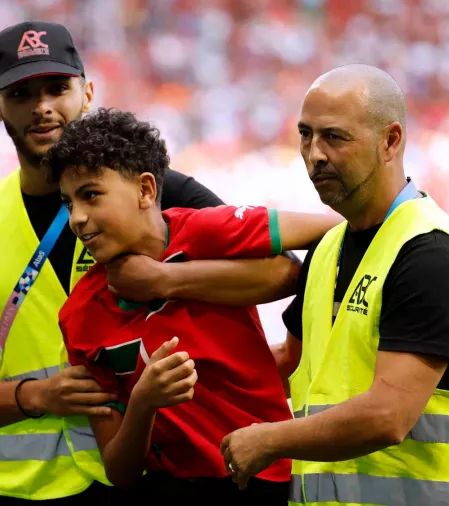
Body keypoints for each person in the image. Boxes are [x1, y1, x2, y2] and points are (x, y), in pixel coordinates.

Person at [0, 21, 302, 505]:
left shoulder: (156, 190)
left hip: (148, 478)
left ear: (86, 92)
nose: (42, 106)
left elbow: (281, 272)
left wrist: (165, 278)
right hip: (22, 486)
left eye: (57, 88)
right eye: (22, 93)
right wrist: (35, 397)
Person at [220, 65, 449, 506]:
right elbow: (290, 363)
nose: (314, 153)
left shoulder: (431, 257)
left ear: (391, 141)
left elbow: (388, 416)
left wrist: (268, 441)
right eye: (305, 135)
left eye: (334, 137)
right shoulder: (329, 249)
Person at [48, 108, 344, 505]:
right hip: (172, 488)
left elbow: (334, 232)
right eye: (69, 202)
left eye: (91, 195)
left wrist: (166, 281)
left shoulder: (210, 231)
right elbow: (120, 473)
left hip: (272, 476)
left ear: (146, 190)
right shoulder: (80, 315)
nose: (77, 219)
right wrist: (143, 403)